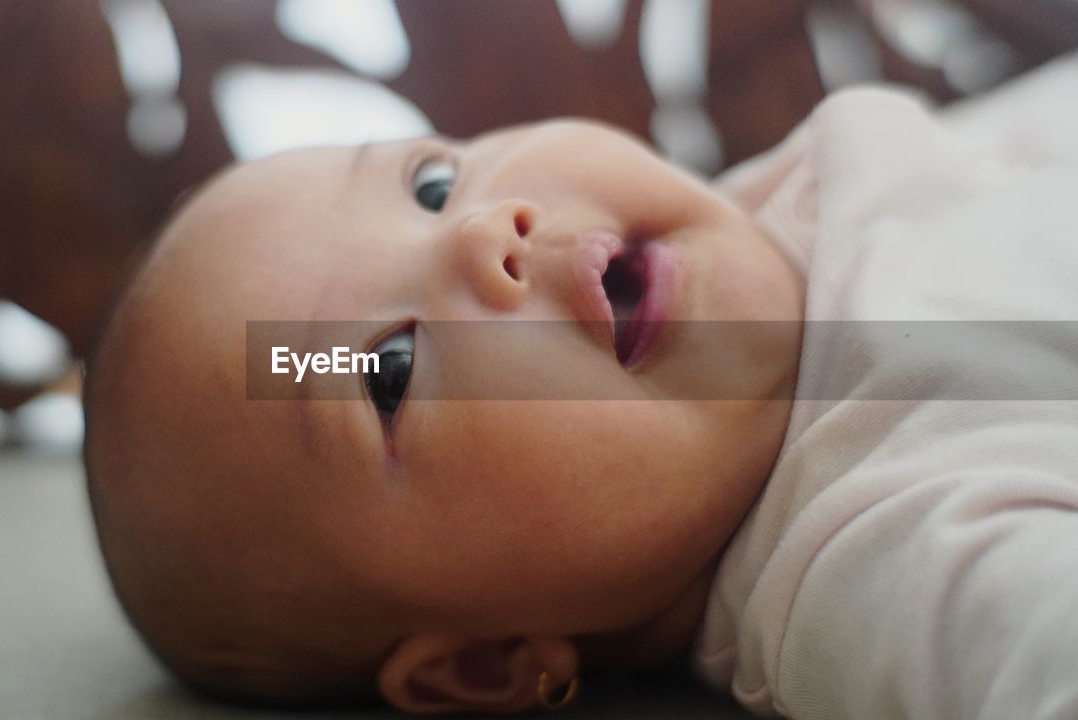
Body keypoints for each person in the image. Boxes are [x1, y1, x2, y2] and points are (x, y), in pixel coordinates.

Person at [83, 54, 1078, 718]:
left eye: (431, 185)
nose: (484, 233)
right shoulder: (882, 547)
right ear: (488, 664)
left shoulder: (792, 190)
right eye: (385, 372)